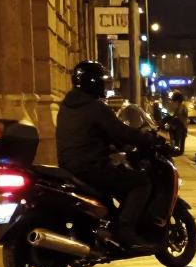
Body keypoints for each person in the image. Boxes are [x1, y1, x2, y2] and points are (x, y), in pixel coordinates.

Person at [57, 60, 155, 249]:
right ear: (93, 82)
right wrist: (146, 138)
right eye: (102, 81)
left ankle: (106, 227)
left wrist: (113, 145)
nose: (104, 86)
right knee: (141, 183)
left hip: (69, 167)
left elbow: (92, 134)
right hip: (91, 168)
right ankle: (124, 231)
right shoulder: (95, 107)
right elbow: (122, 132)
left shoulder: (67, 105)